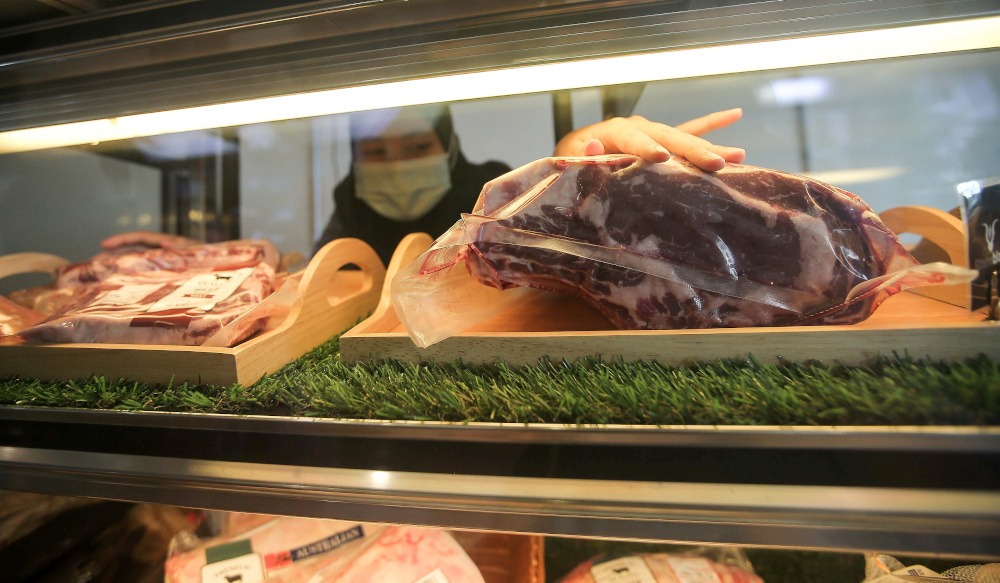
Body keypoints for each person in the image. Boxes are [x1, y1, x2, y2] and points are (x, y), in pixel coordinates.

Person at [103, 103, 746, 262]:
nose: (395, 161)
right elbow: (334, 276)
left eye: (416, 147)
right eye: (375, 150)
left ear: (449, 150)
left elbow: (534, 238)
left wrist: (573, 167)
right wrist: (236, 268)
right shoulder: (351, 200)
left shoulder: (494, 185)